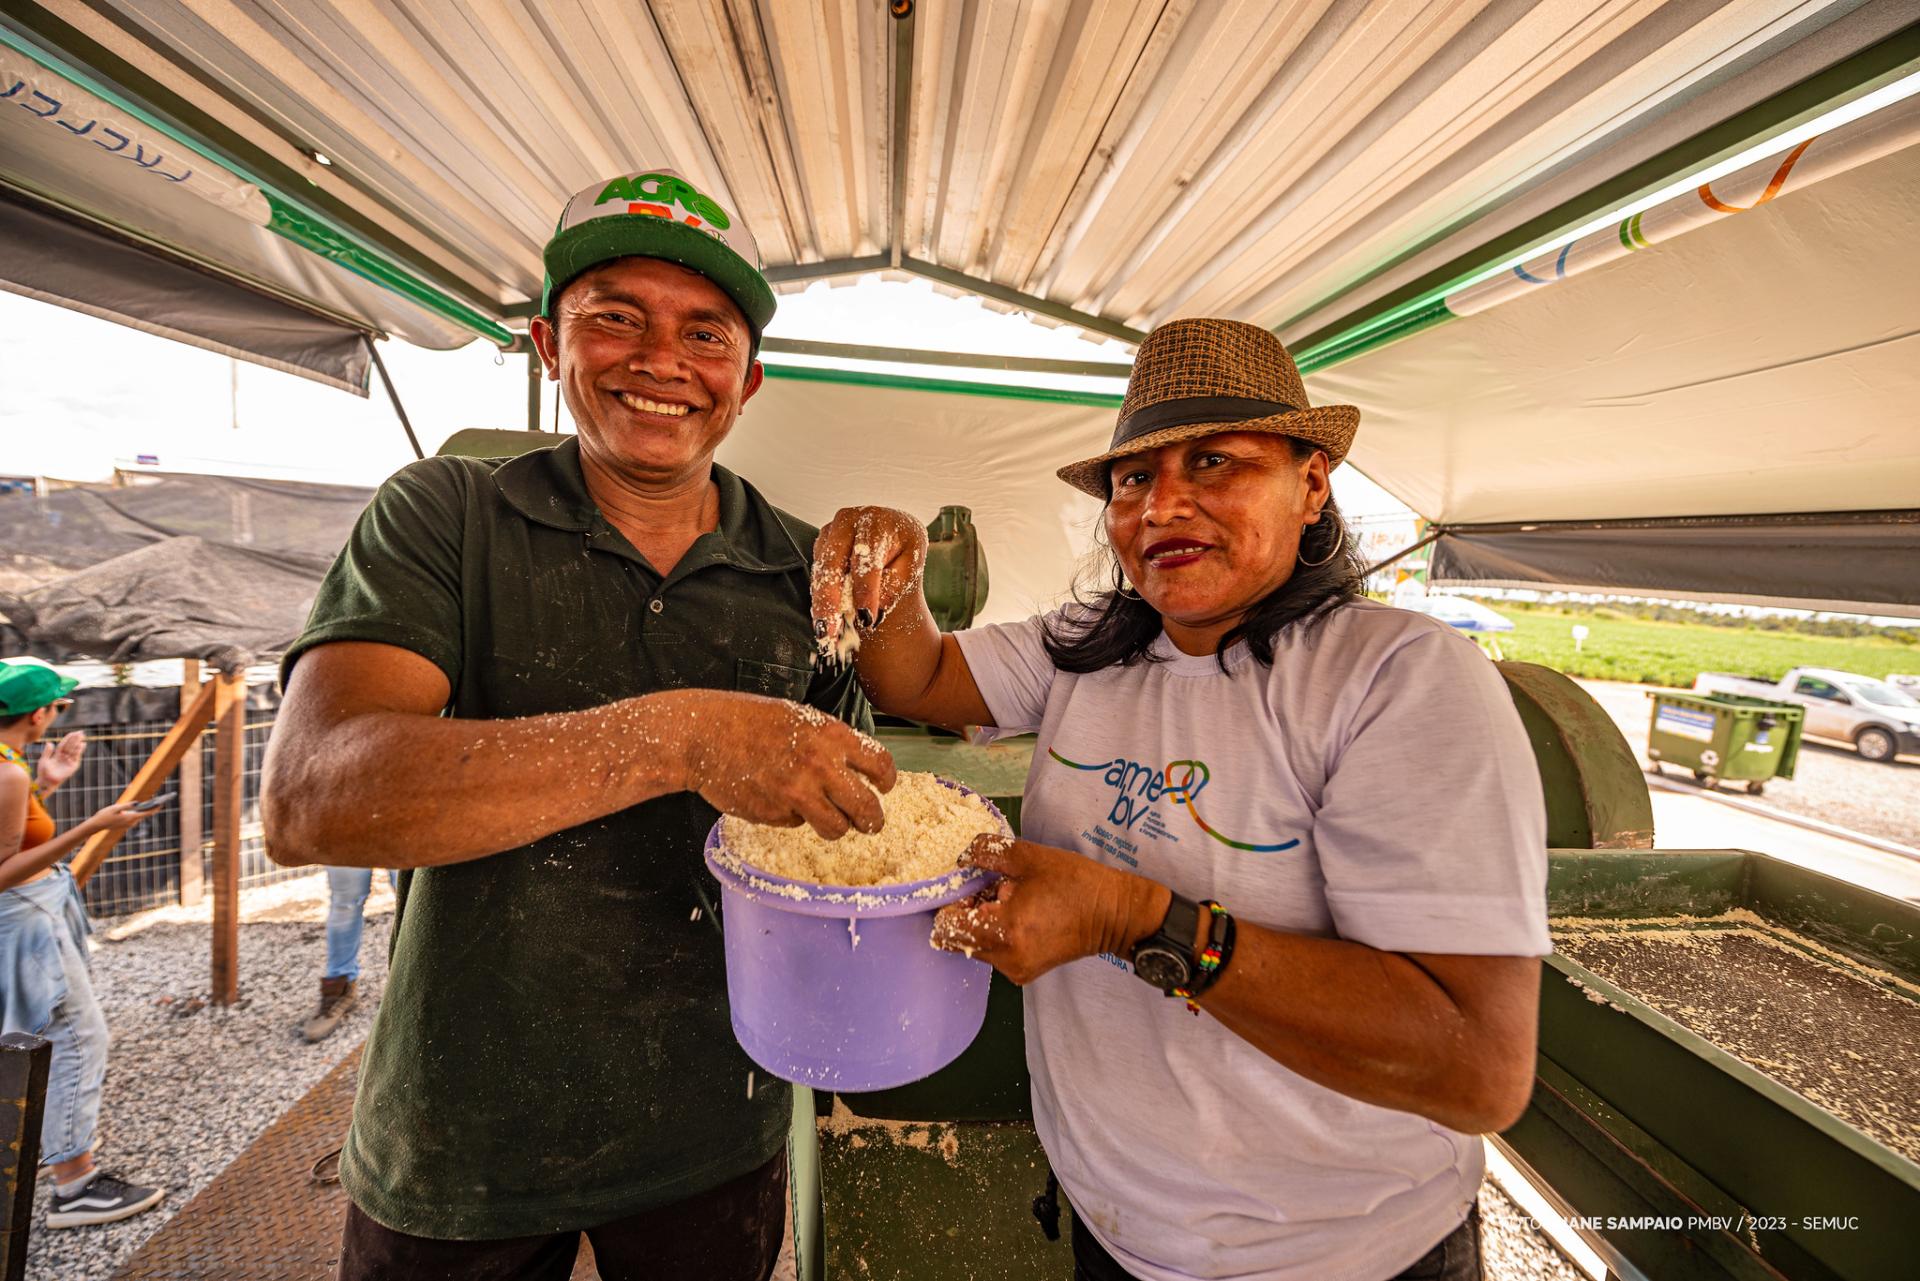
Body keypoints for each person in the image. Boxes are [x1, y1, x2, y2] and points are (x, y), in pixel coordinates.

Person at [812, 318, 1549, 1281]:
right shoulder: (1097, 642)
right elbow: (921, 681)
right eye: (1133, 479)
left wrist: (1131, 917)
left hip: (1332, 1254)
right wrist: (892, 576)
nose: (1162, 506)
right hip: (1115, 1221)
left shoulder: (1395, 679)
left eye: (1214, 462)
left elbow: (1476, 1064)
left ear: (1311, 480)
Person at [261, 166, 895, 1281]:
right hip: (462, 1138)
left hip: (717, 1121)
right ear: (550, 347)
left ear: (748, 381)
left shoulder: (806, 565)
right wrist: (680, 736)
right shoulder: (445, 513)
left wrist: (909, 577)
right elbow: (314, 795)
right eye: (615, 319)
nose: (661, 362)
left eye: (706, 333)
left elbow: (898, 760)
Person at [0, 661, 167, 1228]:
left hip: (28, 911)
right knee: (75, 1035)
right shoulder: (6, 773)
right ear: (40, 713)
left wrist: (47, 784)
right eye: (56, 705)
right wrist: (93, 825)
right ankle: (76, 1187)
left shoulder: (13, 764)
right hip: (22, 916)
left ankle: (43, 1159)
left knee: (29, 1030)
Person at [299, 865, 400, 1043]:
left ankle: (416, 986)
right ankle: (339, 985)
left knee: (409, 899)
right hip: (347, 838)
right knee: (344, 902)